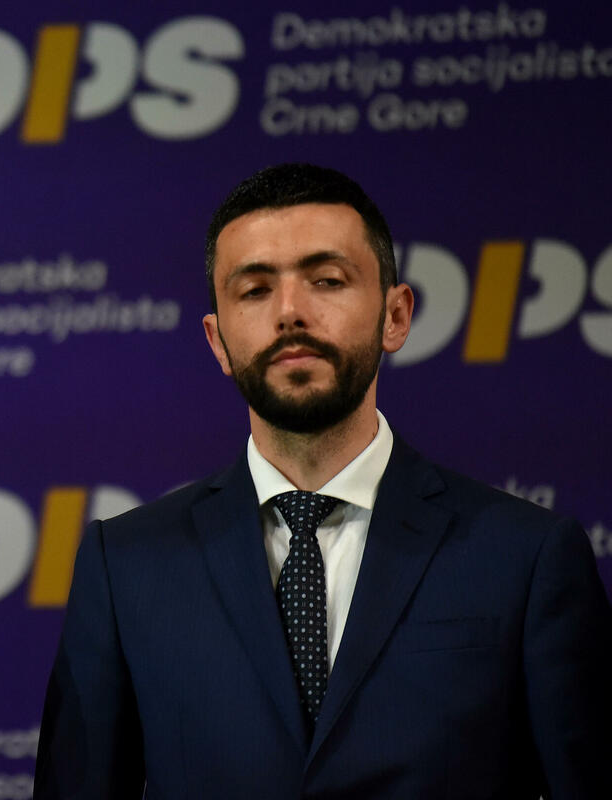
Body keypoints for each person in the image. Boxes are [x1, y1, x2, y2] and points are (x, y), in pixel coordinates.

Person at [34, 163, 612, 799]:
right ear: (217, 341)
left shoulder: (525, 557)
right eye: (255, 290)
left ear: (395, 315)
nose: (290, 312)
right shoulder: (126, 566)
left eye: (327, 281)